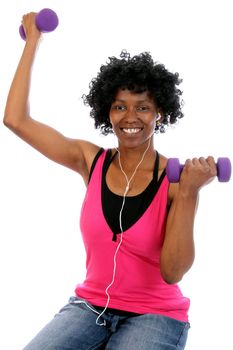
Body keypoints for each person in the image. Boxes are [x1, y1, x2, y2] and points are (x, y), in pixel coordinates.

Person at [3, 12, 217, 350]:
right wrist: (33, 42)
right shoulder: (91, 161)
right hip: (90, 307)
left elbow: (173, 272)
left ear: (159, 112)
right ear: (107, 112)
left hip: (155, 314)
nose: (130, 118)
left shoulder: (175, 181)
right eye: (120, 107)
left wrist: (190, 191)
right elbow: (15, 120)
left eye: (143, 108)